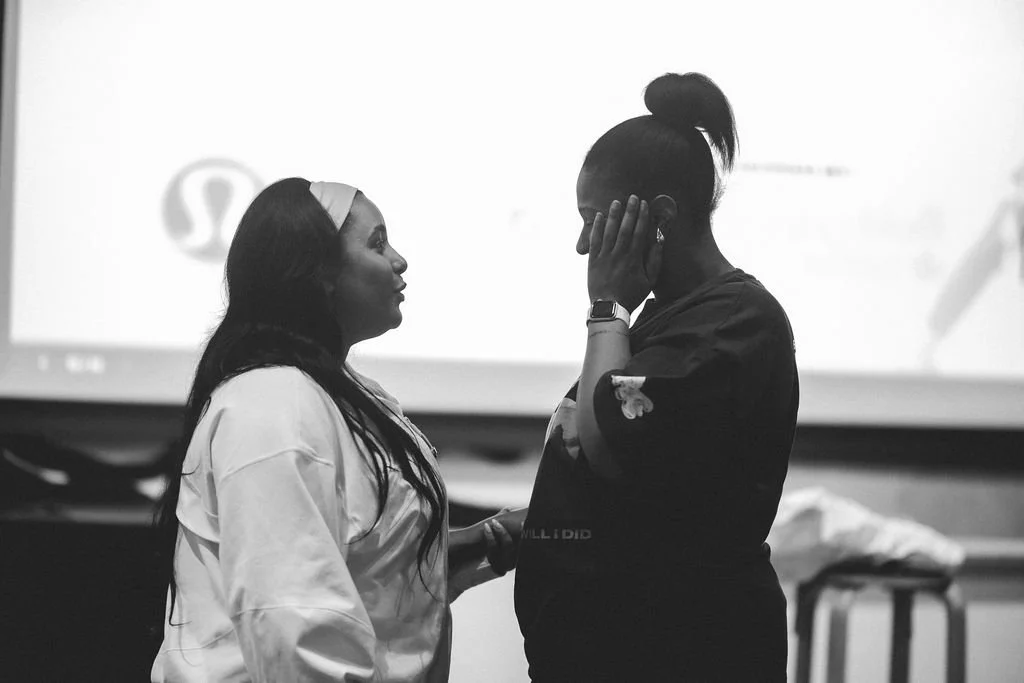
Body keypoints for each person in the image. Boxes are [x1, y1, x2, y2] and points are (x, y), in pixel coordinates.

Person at [151, 177, 524, 682]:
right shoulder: (273, 405)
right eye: (377, 243)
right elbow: (295, 628)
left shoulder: (331, 393)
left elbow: (359, 569)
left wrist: (483, 542)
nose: (398, 260)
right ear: (319, 274)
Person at [513, 73, 800, 681]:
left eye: (594, 219)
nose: (583, 242)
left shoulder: (734, 321)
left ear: (660, 214)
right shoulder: (668, 316)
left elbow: (609, 445)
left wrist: (607, 307)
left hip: (682, 649)